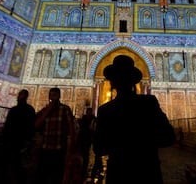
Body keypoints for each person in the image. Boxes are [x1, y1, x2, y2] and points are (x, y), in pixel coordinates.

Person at [93, 55, 176, 184]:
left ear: (112, 82)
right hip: (147, 171)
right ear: (134, 81)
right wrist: (144, 144)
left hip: (119, 173)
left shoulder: (106, 110)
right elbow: (169, 137)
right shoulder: (149, 103)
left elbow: (99, 148)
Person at [34, 87, 76, 184]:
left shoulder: (65, 109)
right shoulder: (45, 110)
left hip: (59, 148)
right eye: (52, 95)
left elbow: (71, 128)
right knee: (42, 175)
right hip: (45, 148)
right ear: (49, 96)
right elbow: (36, 125)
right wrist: (48, 110)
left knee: (57, 176)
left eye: (55, 95)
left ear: (59, 96)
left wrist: (71, 148)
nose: (53, 98)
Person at [0, 89, 36, 184]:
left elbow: (31, 126)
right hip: (13, 140)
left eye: (21, 95)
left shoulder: (23, 110)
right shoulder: (22, 109)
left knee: (17, 164)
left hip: (19, 140)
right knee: (13, 164)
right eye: (20, 95)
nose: (20, 97)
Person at [76, 107, 96, 178]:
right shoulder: (83, 120)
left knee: (86, 154)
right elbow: (80, 129)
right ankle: (82, 168)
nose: (89, 113)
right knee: (83, 153)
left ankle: (84, 168)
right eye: (88, 112)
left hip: (88, 139)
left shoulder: (93, 119)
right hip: (83, 138)